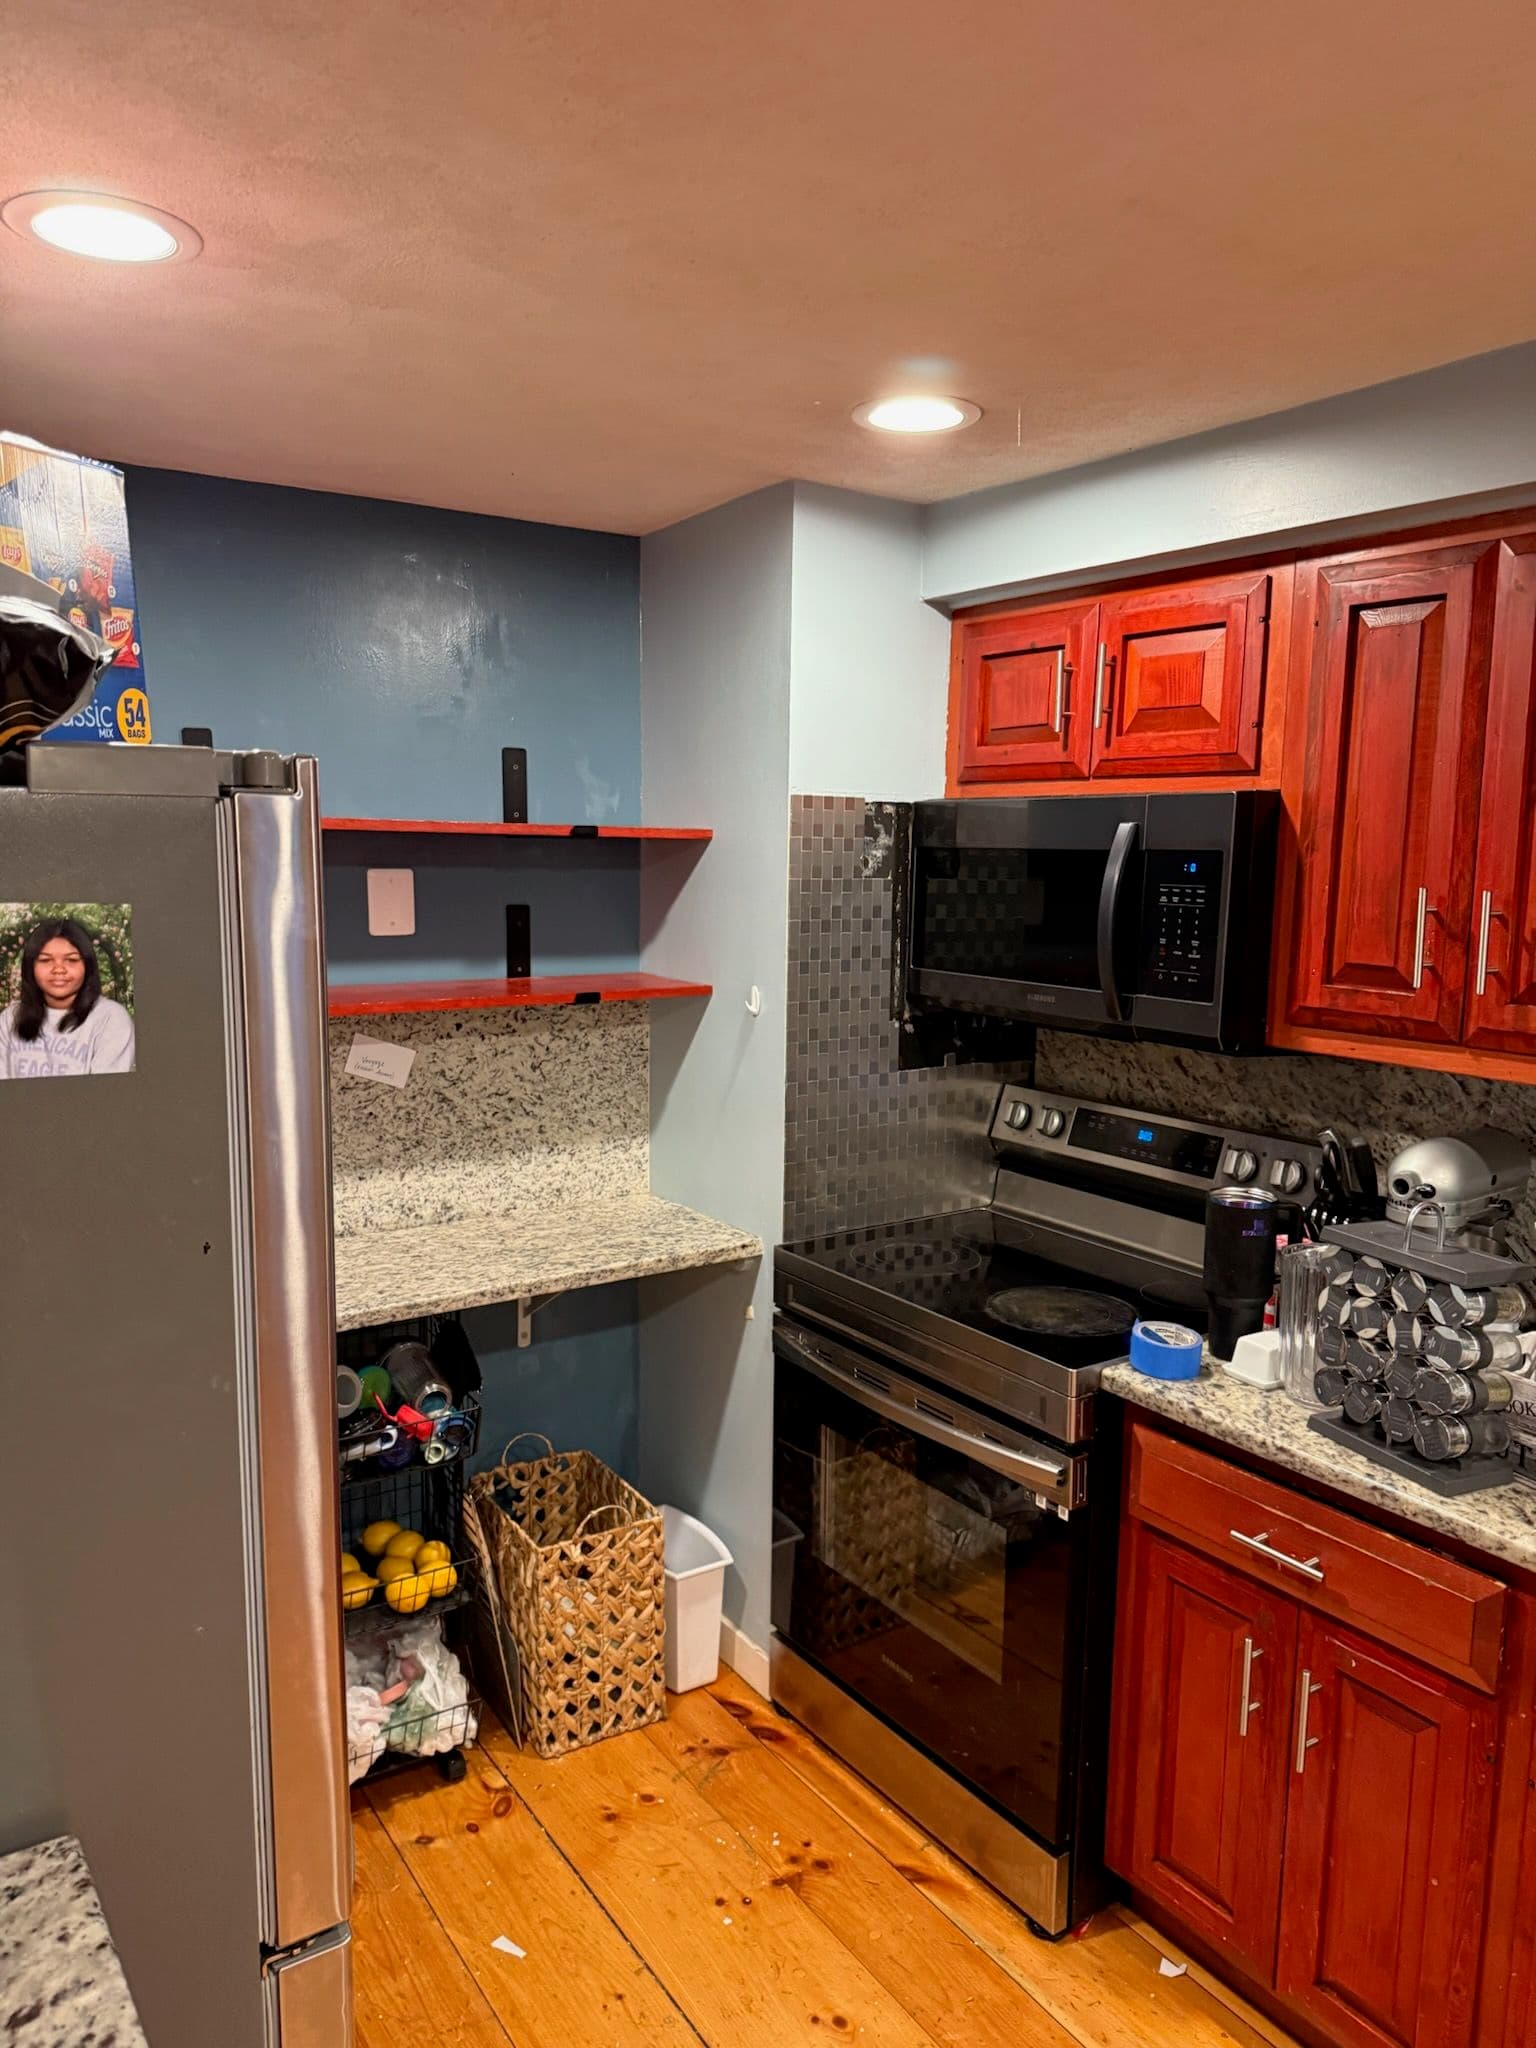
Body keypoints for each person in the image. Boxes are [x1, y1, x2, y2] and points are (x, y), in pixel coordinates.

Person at [0, 916, 135, 1078]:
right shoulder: (10, 1018)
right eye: (45, 960)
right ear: (30, 967)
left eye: (71, 960)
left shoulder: (110, 1018)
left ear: (87, 966)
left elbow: (106, 1091)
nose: (59, 969)